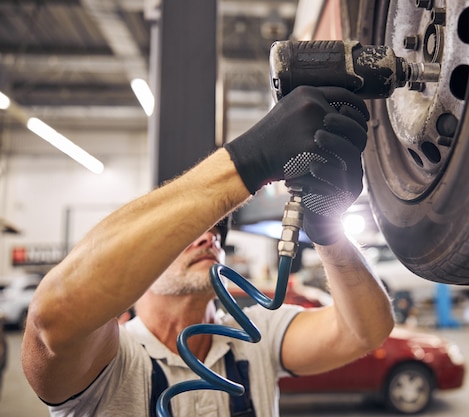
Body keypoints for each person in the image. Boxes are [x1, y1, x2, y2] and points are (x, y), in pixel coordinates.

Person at [21, 86, 394, 416]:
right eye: (185, 234)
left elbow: (366, 331)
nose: (208, 238)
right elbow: (54, 318)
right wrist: (249, 158)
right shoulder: (113, 361)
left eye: (215, 230)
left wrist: (329, 233)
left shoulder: (254, 337)